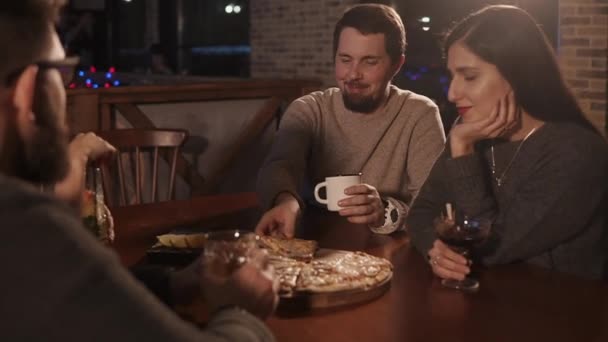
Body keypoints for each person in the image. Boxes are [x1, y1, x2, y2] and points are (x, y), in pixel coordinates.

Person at [0, 1, 277, 340]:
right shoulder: (22, 222)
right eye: (62, 73)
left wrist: (174, 285)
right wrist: (242, 310)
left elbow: (78, 301)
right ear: (28, 92)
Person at [407, 5, 608, 280]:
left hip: (556, 315)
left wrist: (463, 152)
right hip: (480, 304)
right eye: (452, 75)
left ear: (518, 74)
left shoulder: (578, 153)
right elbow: (420, 213)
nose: (452, 93)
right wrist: (437, 251)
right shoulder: (470, 131)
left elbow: (490, 248)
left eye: (470, 76)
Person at [255, 4, 445, 238]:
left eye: (369, 61)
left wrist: (384, 212)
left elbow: (435, 204)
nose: (353, 74)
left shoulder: (420, 113)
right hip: (314, 243)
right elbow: (279, 165)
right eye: (345, 59)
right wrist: (286, 201)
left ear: (397, 65)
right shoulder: (309, 109)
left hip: (388, 248)